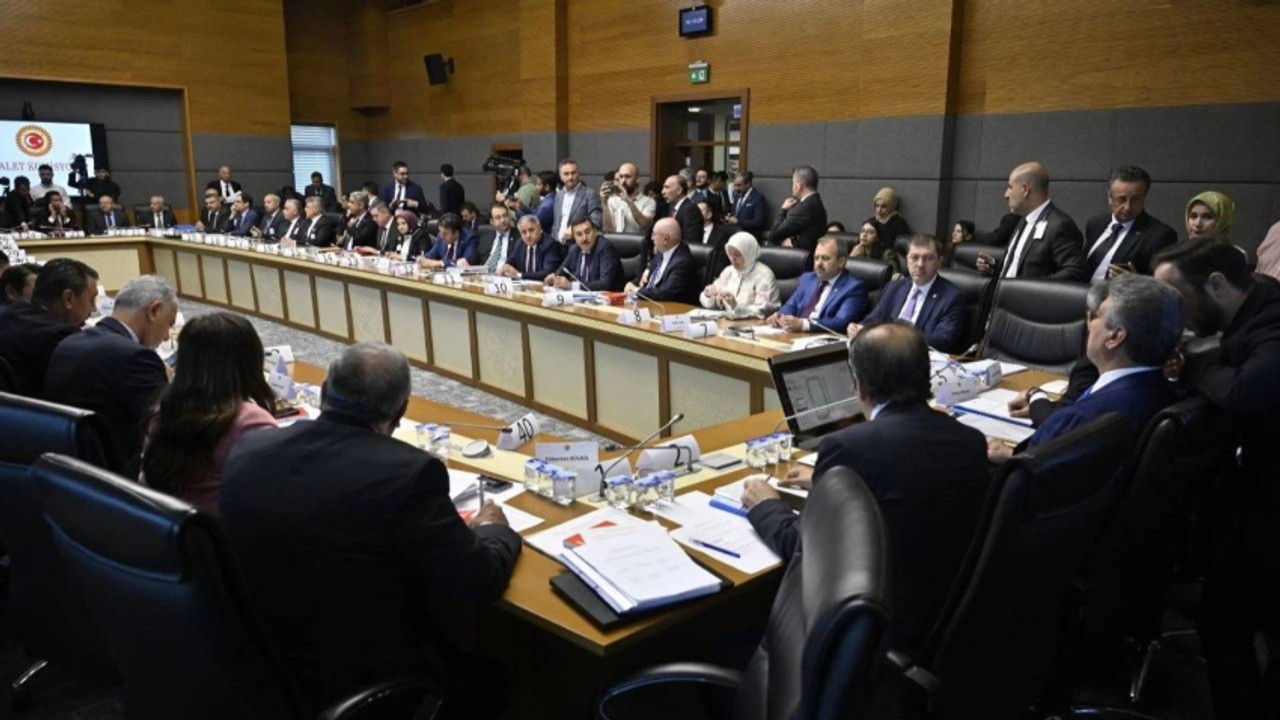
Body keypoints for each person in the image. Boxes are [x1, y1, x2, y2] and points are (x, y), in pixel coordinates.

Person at [219, 342, 522, 716]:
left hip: (259, 669)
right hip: (364, 683)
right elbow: (479, 581)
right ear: (401, 412)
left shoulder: (249, 448)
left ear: (325, 390)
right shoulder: (410, 474)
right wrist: (492, 529)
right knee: (490, 680)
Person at [741, 321, 990, 659]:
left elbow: (807, 548)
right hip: (948, 625)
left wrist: (766, 506)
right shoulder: (970, 441)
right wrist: (832, 481)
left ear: (858, 385)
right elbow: (907, 480)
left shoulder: (849, 447)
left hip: (875, 635)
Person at [1153, 239, 1280, 720]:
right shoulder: (1256, 304)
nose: (1177, 315)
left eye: (1179, 298)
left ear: (1217, 284)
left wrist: (1197, 364)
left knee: (1225, 621)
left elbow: (1246, 392)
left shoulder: (1272, 324)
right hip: (1258, 489)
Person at [987, 273, 1185, 464]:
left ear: (1114, 337)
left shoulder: (1077, 421)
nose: (1089, 322)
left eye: (1097, 315)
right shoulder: (1174, 394)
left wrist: (1011, 456)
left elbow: (1030, 475)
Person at [139, 311, 276, 515]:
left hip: (161, 524)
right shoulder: (250, 423)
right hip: (221, 530)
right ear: (250, 362)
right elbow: (276, 493)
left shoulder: (164, 409)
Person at [45, 275, 176, 475]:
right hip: (114, 475)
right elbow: (171, 427)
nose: (167, 336)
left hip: (66, 467)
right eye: (169, 323)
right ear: (154, 310)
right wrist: (169, 381)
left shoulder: (70, 341)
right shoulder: (137, 358)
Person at [850, 235, 966, 352]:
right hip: (883, 353)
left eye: (928, 258)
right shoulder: (894, 287)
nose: (920, 264)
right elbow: (873, 319)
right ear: (907, 260)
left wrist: (895, 338)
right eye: (914, 258)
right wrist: (860, 328)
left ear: (939, 262)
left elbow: (942, 340)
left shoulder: (952, 297)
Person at [0, 258, 99, 395]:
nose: (94, 308)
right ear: (68, 298)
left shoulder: (8, 314)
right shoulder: (63, 338)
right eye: (91, 299)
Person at [975, 161, 1086, 281]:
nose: (1006, 194)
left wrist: (1034, 288)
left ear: (1025, 189)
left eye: (1010, 187)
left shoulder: (1059, 226)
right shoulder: (1023, 220)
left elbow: (1075, 271)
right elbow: (1020, 269)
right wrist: (993, 269)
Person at [1084, 166, 1178, 282]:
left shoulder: (1160, 236)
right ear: (1110, 197)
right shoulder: (1095, 224)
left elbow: (1164, 284)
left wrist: (1136, 280)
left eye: (1135, 199)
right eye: (1121, 199)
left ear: (1144, 198)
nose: (1128, 207)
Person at [768, 235, 868, 333]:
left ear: (841, 262)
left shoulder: (854, 287)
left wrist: (804, 325)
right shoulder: (808, 278)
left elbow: (842, 321)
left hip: (822, 338)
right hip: (794, 335)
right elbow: (790, 306)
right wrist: (780, 316)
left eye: (825, 258)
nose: (818, 264)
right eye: (816, 258)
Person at [699, 232, 779, 318]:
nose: (732, 259)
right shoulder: (729, 271)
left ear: (748, 253)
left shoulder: (764, 275)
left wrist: (736, 307)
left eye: (737, 255)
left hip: (753, 324)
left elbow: (764, 311)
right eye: (729, 254)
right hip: (727, 321)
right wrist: (708, 295)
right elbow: (712, 302)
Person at [626, 217, 698, 303]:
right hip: (648, 304)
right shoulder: (662, 252)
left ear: (665, 239)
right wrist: (632, 284)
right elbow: (647, 280)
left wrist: (636, 290)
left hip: (669, 308)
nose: (652, 238)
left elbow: (665, 294)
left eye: (654, 234)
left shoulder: (682, 262)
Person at [547, 215, 624, 291]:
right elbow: (560, 273)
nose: (584, 238)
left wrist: (571, 285)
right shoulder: (574, 250)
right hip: (581, 297)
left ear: (595, 231)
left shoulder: (605, 248)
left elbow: (605, 284)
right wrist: (553, 278)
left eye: (587, 232)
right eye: (579, 234)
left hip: (608, 297)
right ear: (574, 237)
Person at [768, 165, 828, 251]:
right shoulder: (816, 202)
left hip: (802, 256)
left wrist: (783, 210)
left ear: (798, 186)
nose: (792, 187)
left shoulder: (804, 209)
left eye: (793, 183)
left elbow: (774, 235)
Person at [550, 159, 602, 244]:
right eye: (566, 174)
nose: (570, 177)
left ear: (579, 173)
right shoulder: (559, 195)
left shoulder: (589, 194)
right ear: (561, 176)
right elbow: (556, 223)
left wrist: (574, 228)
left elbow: (596, 220)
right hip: (557, 245)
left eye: (573, 173)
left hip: (578, 245)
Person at [499, 215, 564, 280]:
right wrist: (504, 268)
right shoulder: (520, 243)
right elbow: (510, 262)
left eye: (531, 230)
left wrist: (519, 275)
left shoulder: (550, 245)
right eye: (524, 232)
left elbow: (547, 273)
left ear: (540, 229)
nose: (528, 235)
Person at [600, 162, 655, 234]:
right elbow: (608, 230)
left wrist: (629, 201)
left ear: (637, 179)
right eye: (621, 177)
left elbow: (645, 225)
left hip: (639, 240)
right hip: (616, 240)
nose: (623, 181)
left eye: (628, 177)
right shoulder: (612, 200)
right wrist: (604, 203)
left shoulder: (649, 201)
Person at [727, 171, 766, 237]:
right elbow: (734, 214)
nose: (736, 188)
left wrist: (738, 222)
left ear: (748, 184)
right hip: (734, 233)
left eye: (739, 185)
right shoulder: (737, 196)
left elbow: (758, 222)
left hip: (749, 235)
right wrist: (728, 218)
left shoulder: (758, 198)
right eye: (735, 185)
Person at [483, 205, 518, 273]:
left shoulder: (519, 237)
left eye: (505, 216)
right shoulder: (486, 237)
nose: (503, 220)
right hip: (484, 275)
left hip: (506, 275)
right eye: (498, 217)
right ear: (492, 221)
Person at [533, 170, 557, 236]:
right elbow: (536, 212)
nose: (536, 187)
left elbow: (534, 222)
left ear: (547, 187)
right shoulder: (553, 197)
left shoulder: (547, 206)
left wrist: (517, 210)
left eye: (539, 184)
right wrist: (522, 207)